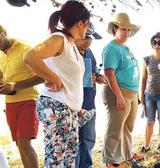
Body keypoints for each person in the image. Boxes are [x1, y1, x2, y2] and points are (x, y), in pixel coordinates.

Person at [23, 1, 90, 167]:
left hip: (69, 111)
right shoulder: (58, 39)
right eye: (87, 25)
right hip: (57, 107)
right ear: (81, 23)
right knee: (56, 161)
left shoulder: (71, 44)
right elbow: (30, 57)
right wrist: (53, 78)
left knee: (68, 161)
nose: (87, 29)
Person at [101, 12, 142, 168]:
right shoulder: (111, 48)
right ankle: (111, 161)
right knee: (115, 128)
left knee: (127, 127)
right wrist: (118, 96)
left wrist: (136, 94)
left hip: (132, 93)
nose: (126, 33)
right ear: (115, 29)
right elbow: (109, 73)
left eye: (128, 30)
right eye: (123, 29)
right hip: (119, 92)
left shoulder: (126, 47)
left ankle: (127, 155)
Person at [0, 24, 41, 168]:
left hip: (28, 101)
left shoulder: (26, 49)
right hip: (9, 103)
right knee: (19, 144)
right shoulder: (0, 55)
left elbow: (42, 76)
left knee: (24, 142)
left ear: (3, 32)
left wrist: (15, 85)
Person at [74, 22, 105, 168]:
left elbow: (93, 71)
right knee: (74, 141)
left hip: (89, 103)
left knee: (88, 139)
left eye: (91, 38)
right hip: (74, 105)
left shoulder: (90, 52)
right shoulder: (70, 52)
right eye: (86, 37)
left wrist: (98, 77)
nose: (88, 41)